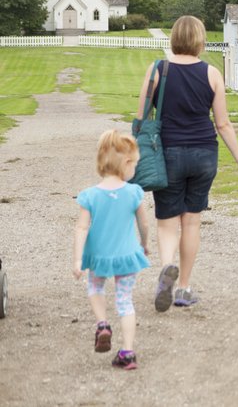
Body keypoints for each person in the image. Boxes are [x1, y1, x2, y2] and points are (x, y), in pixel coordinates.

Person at [136, 15, 238, 312]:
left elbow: (141, 119)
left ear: (174, 38)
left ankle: (166, 268)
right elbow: (223, 124)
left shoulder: (158, 70)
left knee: (167, 222)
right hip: (204, 154)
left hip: (168, 153)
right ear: (200, 40)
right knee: (192, 221)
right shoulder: (212, 74)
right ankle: (184, 288)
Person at [72, 130, 151, 370]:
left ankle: (103, 324)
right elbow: (144, 224)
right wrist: (144, 244)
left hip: (99, 256)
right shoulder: (134, 193)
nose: (135, 169)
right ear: (126, 164)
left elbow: (81, 228)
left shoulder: (90, 196)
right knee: (125, 300)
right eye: (135, 164)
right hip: (127, 255)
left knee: (95, 286)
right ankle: (127, 352)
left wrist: (77, 260)